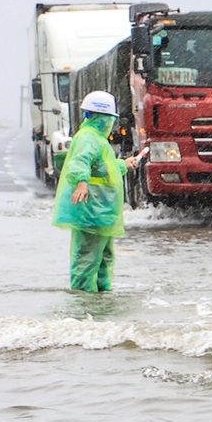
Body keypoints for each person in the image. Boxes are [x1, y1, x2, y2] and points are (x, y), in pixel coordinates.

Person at [53, 91, 129, 293]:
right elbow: (80, 162)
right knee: (87, 258)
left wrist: (125, 165)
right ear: (103, 117)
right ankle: (83, 302)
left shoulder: (98, 139)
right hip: (91, 211)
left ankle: (101, 298)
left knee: (104, 257)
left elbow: (105, 169)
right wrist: (82, 183)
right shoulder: (88, 138)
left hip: (102, 212)